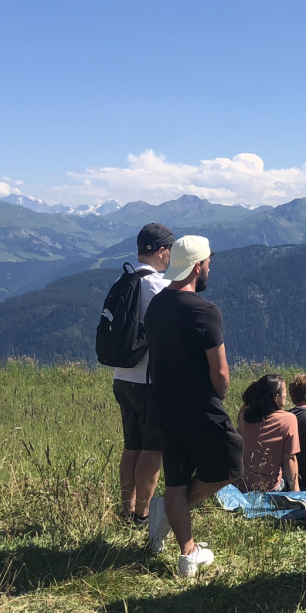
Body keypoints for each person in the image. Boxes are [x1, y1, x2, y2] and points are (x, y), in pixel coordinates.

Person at [142, 235, 244, 577]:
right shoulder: (205, 311)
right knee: (231, 462)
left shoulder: (157, 305)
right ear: (198, 266)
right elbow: (221, 371)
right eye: (208, 264)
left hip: (163, 404)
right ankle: (172, 515)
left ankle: (188, 552)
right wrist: (219, 394)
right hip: (199, 405)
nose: (209, 269)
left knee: (175, 478)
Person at [110, 224, 172, 526]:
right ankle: (142, 514)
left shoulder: (126, 277)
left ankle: (125, 509)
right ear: (161, 251)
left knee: (131, 445)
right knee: (152, 449)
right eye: (168, 251)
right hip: (148, 380)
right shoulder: (157, 286)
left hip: (121, 377)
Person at [236, 374, 301, 492]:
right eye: (285, 392)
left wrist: (255, 389)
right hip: (271, 487)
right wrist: (296, 493)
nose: (286, 395)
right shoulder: (288, 419)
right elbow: (289, 459)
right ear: (277, 397)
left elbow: (242, 413)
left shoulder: (245, 416)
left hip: (243, 484)